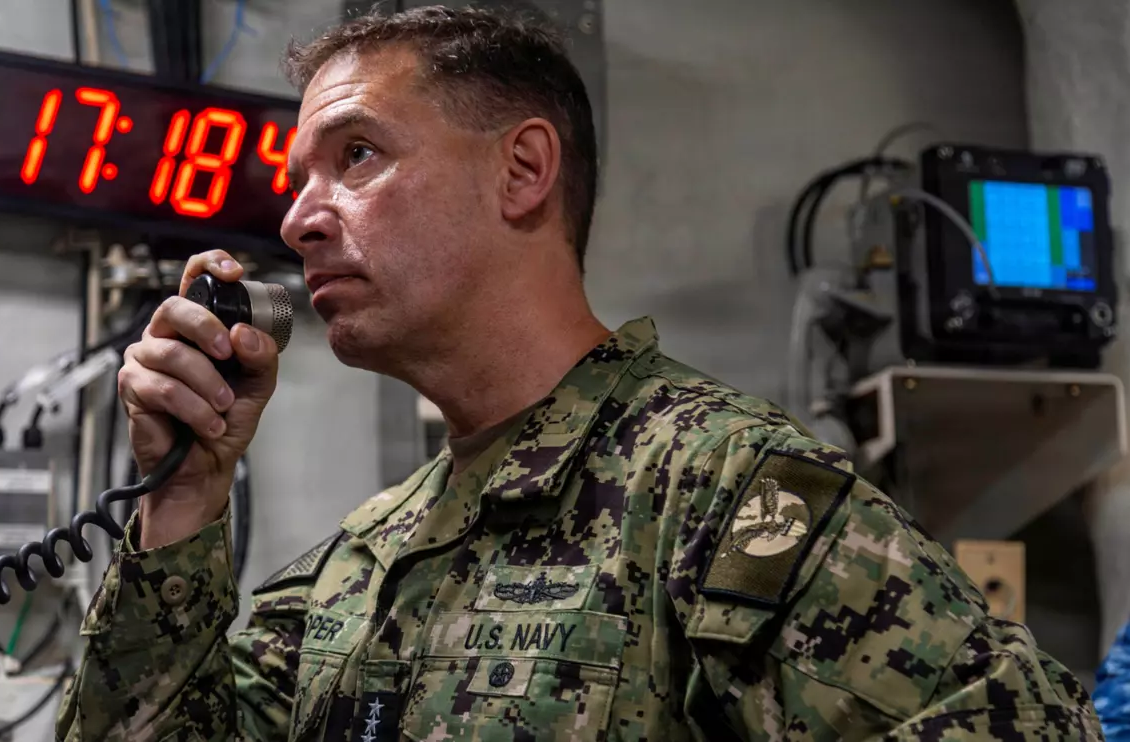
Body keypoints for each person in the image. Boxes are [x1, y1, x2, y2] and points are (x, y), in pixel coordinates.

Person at [55, 6, 1102, 741]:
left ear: (521, 172)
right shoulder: (362, 563)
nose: (297, 217)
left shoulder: (722, 491)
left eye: (357, 156)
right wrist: (188, 498)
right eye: (299, 181)